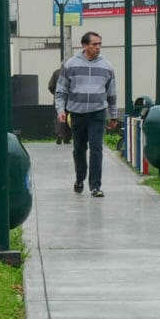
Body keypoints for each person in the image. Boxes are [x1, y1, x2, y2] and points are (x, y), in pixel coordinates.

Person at [54, 31, 117, 196]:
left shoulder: (107, 66)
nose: (98, 47)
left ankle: (95, 186)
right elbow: (60, 90)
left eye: (99, 44)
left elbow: (111, 93)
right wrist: (61, 110)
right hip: (77, 113)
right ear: (84, 45)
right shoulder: (71, 65)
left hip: (98, 113)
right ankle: (80, 178)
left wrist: (114, 115)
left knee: (96, 148)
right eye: (94, 44)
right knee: (79, 148)